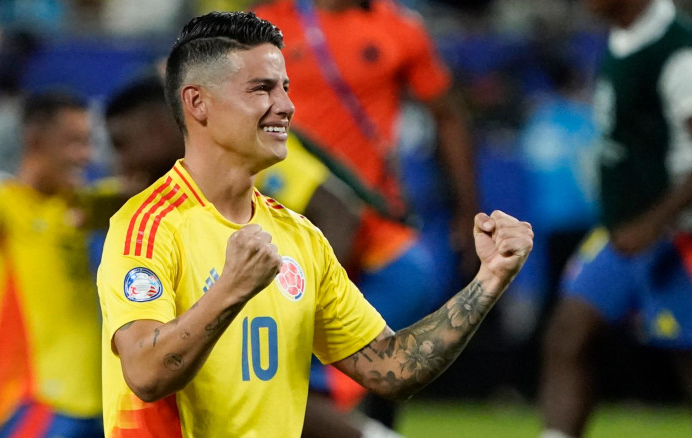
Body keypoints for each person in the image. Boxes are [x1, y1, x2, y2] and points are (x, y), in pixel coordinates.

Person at [96, 11, 533, 437]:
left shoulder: (300, 236)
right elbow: (146, 374)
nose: (286, 106)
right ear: (197, 102)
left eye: (285, 88)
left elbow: (393, 367)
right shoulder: (146, 227)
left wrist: (489, 279)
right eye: (262, 89)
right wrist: (232, 289)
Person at [252, 0, 479, 427]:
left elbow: (448, 116)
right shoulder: (268, 22)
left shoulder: (400, 28)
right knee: (338, 367)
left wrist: (466, 212)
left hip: (373, 224)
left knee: (377, 351)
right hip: (288, 220)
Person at [539, 0, 692, 437]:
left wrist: (653, 223)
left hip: (685, 236)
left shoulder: (679, 53)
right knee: (567, 335)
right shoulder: (625, 37)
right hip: (622, 232)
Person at [0, 8, 105, 436]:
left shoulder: (84, 203)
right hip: (35, 404)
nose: (86, 156)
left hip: (99, 405)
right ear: (34, 140)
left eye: (88, 142)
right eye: (73, 142)